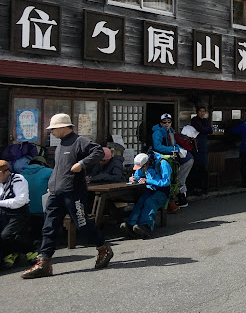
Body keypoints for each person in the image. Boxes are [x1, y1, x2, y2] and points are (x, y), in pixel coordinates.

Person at [22, 113, 113, 279]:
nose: (52, 132)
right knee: (49, 226)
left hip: (73, 191)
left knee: (83, 224)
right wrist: (52, 185)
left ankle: (103, 247)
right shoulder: (61, 144)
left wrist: (82, 164)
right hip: (56, 192)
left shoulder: (79, 141)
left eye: (54, 129)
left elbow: (98, 151)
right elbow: (58, 169)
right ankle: (44, 262)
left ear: (64, 127)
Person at [119, 152, 171, 239]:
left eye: (142, 167)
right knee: (140, 201)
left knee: (150, 202)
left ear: (146, 163)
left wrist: (149, 181)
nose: (141, 169)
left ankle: (146, 226)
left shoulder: (163, 164)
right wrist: (133, 179)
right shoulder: (143, 164)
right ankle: (131, 224)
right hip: (150, 190)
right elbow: (138, 175)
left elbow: (166, 181)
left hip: (163, 192)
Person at [0, 160, 37, 269]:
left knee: (5, 235)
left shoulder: (18, 179)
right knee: (11, 235)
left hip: (18, 212)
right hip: (3, 212)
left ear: (6, 172)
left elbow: (20, 200)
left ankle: (31, 250)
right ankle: (12, 252)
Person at [152, 113, 193, 209]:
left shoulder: (170, 131)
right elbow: (158, 147)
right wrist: (174, 150)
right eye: (164, 122)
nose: (167, 124)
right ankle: (168, 202)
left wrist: (181, 149)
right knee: (168, 178)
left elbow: (174, 144)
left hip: (171, 157)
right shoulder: (157, 132)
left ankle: (175, 198)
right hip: (160, 157)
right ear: (160, 123)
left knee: (186, 161)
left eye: (169, 122)